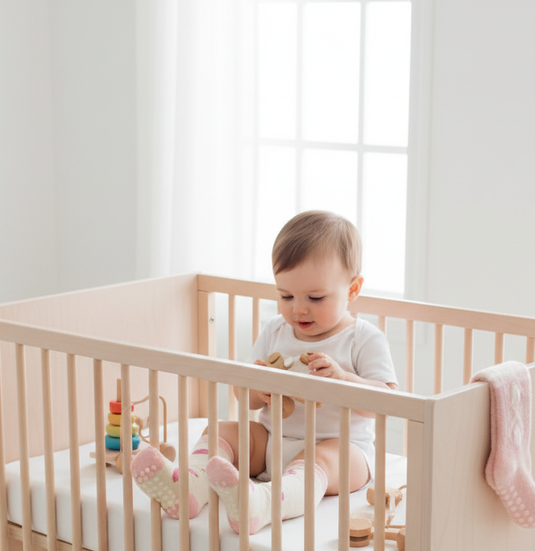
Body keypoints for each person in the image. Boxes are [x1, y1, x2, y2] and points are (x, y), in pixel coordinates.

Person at [131, 210, 398, 533]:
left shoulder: (362, 338)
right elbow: (245, 397)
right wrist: (257, 390)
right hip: (271, 441)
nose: (298, 308)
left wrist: (343, 380)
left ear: (353, 290)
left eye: (315, 297)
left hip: (340, 451)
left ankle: (264, 504)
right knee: (224, 431)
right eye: (285, 296)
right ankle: (189, 486)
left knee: (327, 455)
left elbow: (386, 403)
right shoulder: (275, 330)